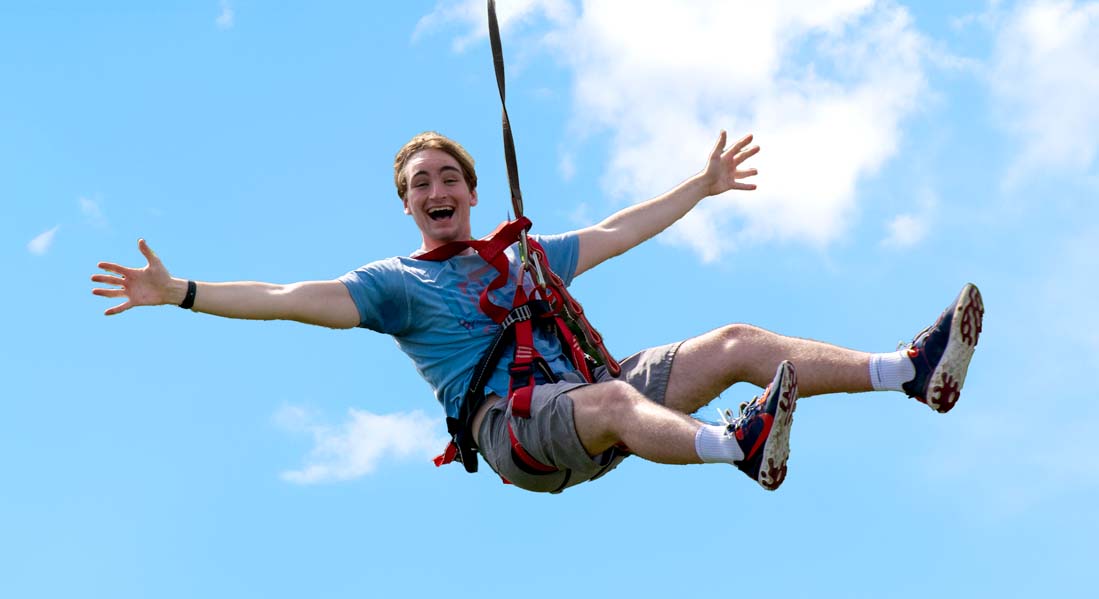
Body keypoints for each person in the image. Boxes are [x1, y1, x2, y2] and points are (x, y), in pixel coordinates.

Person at [91, 130, 984, 494]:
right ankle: (734, 444)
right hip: (518, 432)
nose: (435, 191)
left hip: (597, 392)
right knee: (607, 403)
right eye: (418, 186)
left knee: (737, 341)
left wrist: (702, 188)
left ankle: (907, 373)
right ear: (406, 207)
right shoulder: (395, 284)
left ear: (472, 192)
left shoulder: (522, 257)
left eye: (447, 178)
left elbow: (617, 229)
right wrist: (183, 294)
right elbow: (289, 302)